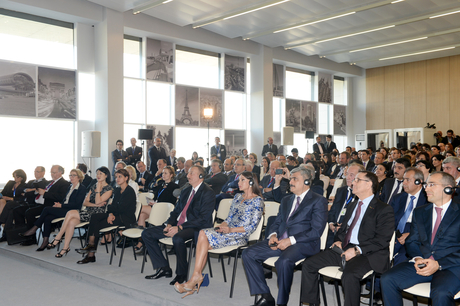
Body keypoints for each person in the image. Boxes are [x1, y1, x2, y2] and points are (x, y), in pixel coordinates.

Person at [300, 171, 394, 306]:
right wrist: (338, 240)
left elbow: (382, 240)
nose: (352, 182)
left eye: (357, 180)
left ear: (369, 184)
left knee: (350, 276)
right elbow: (344, 229)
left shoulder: (384, 209)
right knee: (309, 264)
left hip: (368, 253)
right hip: (346, 248)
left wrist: (356, 250)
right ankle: (311, 303)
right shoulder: (352, 205)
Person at [242, 167, 328, 306]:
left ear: (306, 181)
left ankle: (282, 303)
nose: (290, 182)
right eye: (291, 178)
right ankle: (266, 296)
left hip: (304, 243)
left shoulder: (318, 200)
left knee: (282, 262)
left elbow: (316, 231)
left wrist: (290, 240)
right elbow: (278, 221)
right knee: (248, 253)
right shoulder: (287, 199)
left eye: (295, 179)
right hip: (281, 240)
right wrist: (273, 234)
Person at [174, 171, 264, 297]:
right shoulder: (238, 197)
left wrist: (231, 230)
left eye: (241, 180)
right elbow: (229, 217)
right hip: (227, 232)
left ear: (250, 182)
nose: (238, 183)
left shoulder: (257, 201)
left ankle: (194, 279)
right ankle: (195, 278)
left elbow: (251, 226)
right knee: (203, 237)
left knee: (202, 237)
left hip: (239, 235)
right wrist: (223, 225)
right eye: (238, 180)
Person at [381, 171, 460, 306]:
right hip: (423, 261)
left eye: (431, 185)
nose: (426, 188)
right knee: (387, 279)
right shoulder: (420, 211)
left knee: (440, 293)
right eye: (426, 184)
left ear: (448, 188)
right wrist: (418, 258)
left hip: (451, 266)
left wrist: (438, 264)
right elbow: (412, 241)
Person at [142, 165, 215, 285]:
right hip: (178, 224)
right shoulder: (186, 191)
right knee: (147, 233)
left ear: (201, 176)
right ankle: (164, 268)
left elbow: (203, 218)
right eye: (188, 173)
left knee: (178, 238)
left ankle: (181, 274)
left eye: (191, 173)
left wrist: (180, 227)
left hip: (195, 227)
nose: (188, 175)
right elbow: (176, 211)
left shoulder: (208, 192)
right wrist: (170, 224)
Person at [50, 166, 113, 258]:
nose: (98, 175)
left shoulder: (109, 188)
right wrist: (95, 204)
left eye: (100, 174)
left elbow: (97, 200)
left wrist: (98, 190)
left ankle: (58, 237)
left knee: (70, 212)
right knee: (71, 222)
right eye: (97, 173)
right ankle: (65, 248)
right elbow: (85, 202)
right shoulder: (93, 186)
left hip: (97, 215)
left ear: (106, 175)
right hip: (88, 212)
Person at [76, 168, 137, 264]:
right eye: (116, 177)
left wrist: (112, 213)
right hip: (115, 215)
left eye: (120, 177)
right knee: (95, 217)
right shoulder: (117, 190)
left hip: (125, 218)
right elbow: (111, 206)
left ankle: (90, 253)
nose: (117, 179)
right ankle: (91, 248)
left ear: (126, 178)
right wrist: (110, 214)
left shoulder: (130, 191)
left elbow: (122, 208)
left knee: (96, 224)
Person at [20, 169, 86, 251]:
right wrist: (58, 204)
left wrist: (61, 205)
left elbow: (77, 204)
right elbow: (65, 199)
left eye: (73, 175)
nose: (71, 177)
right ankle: (45, 241)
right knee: (47, 218)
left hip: (72, 211)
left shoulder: (82, 188)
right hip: (64, 208)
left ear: (79, 177)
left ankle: (35, 228)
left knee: (46, 209)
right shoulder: (70, 187)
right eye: (70, 175)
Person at [16, 165, 70, 245]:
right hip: (39, 203)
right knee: (18, 210)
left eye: (54, 172)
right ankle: (19, 235)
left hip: (49, 205)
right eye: (51, 172)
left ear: (60, 172)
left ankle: (31, 238)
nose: (52, 174)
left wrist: (45, 193)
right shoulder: (51, 182)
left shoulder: (64, 183)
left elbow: (60, 197)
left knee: (29, 212)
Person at [135, 166, 179, 253]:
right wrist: (153, 201)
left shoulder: (175, 186)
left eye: (166, 173)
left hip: (165, 210)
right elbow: (153, 193)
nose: (163, 175)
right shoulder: (161, 185)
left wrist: (157, 204)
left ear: (171, 175)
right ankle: (142, 241)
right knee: (142, 215)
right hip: (156, 207)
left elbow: (171, 202)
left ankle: (133, 223)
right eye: (163, 173)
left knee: (142, 208)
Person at [390, 168, 428, 265]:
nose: (404, 183)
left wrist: (411, 234)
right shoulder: (397, 198)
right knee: (379, 257)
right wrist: (391, 235)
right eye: (403, 180)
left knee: (401, 260)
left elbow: (429, 225)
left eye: (407, 180)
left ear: (418, 182)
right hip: (396, 233)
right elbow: (389, 220)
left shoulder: (428, 199)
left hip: (415, 234)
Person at [0, 167, 47, 243]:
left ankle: (2, 223)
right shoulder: (30, 182)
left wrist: (28, 191)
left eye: (37, 171)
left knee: (10, 205)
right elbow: (20, 190)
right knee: (11, 211)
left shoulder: (45, 182)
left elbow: (36, 192)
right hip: (25, 202)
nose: (35, 173)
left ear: (43, 172)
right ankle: (7, 235)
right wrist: (30, 190)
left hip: (31, 203)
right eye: (35, 171)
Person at [326, 163, 363, 248]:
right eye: (347, 174)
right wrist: (331, 223)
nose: (348, 177)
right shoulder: (341, 191)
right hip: (333, 230)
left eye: (352, 175)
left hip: (349, 235)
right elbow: (333, 210)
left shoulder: (361, 195)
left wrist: (344, 228)